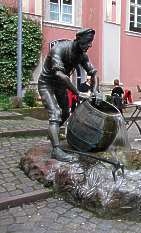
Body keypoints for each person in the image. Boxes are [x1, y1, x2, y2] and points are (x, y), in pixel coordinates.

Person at [38, 28, 100, 162]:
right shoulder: (59, 49)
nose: (90, 45)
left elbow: (93, 73)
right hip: (46, 83)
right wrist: (77, 92)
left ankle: (52, 132)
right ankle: (56, 149)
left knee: (66, 113)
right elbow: (60, 74)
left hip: (60, 85)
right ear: (78, 39)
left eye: (91, 42)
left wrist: (95, 90)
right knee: (55, 113)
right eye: (87, 41)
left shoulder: (82, 55)